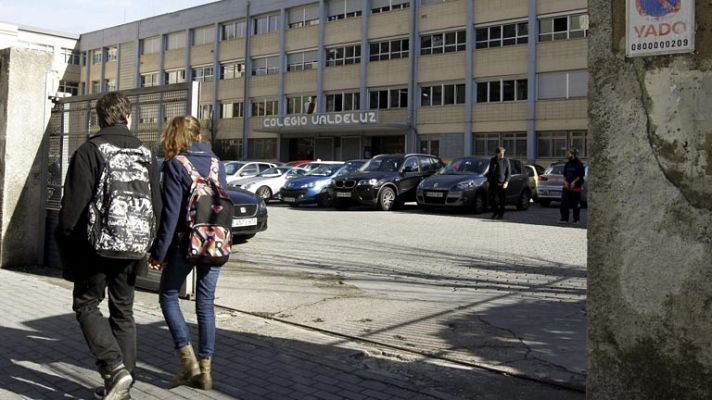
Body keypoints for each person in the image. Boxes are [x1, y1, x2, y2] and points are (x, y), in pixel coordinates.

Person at [57, 92, 162, 400]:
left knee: (86, 304)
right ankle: (121, 388)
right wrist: (149, 243)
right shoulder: (146, 152)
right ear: (128, 116)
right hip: (134, 243)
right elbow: (156, 203)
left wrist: (68, 249)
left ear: (98, 118)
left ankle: (113, 367)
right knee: (123, 312)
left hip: (96, 246)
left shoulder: (91, 150)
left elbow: (72, 209)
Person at [148, 116, 227, 390]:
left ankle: (187, 361)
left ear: (175, 134)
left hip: (185, 244)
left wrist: (159, 252)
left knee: (168, 296)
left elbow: (171, 215)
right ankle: (205, 371)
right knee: (205, 303)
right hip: (215, 242)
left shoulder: (175, 165)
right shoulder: (217, 163)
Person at [560, 148, 586, 224]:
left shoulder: (579, 164)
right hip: (566, 187)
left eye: (568, 154)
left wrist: (574, 182)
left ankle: (576, 220)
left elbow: (580, 175)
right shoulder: (567, 164)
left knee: (576, 204)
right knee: (564, 203)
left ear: (573, 154)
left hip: (575, 187)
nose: (567, 155)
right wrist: (565, 182)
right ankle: (564, 219)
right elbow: (564, 175)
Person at [487, 147, 511, 219]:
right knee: (491, 199)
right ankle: (495, 212)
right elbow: (490, 171)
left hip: (502, 183)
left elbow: (509, 173)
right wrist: (488, 181)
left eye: (503, 153)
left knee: (502, 201)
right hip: (493, 183)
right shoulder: (492, 160)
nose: (502, 155)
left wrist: (506, 182)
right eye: (501, 154)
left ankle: (501, 215)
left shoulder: (506, 160)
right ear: (497, 153)